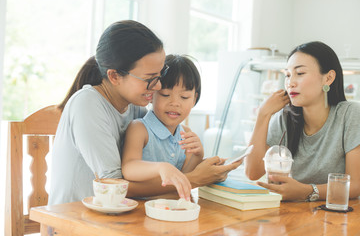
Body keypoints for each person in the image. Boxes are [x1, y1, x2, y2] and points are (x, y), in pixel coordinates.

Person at [48, 20, 240, 205]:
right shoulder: (87, 104)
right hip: (73, 221)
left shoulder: (136, 105)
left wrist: (200, 163)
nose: (157, 86)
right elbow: (116, 186)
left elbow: (156, 164)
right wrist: (193, 179)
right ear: (114, 76)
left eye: (160, 75)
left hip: (121, 217)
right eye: (150, 78)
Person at [245, 41, 360, 201]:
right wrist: (263, 115)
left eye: (300, 73)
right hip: (294, 215)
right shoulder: (284, 118)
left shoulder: (351, 114)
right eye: (287, 75)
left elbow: (355, 185)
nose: (290, 83)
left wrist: (307, 191)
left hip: (339, 216)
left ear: (328, 78)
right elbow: (252, 172)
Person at [122, 54, 203, 201]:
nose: (175, 103)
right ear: (151, 95)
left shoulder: (186, 134)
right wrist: (161, 168)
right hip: (140, 209)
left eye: (184, 97)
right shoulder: (139, 128)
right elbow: (129, 167)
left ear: (194, 99)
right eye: (165, 94)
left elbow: (184, 177)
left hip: (171, 210)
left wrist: (198, 156)